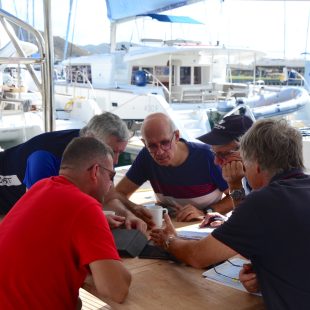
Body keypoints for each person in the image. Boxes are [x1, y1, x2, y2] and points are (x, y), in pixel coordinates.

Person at [150, 118, 310, 309]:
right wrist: (266, 273)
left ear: (256, 163)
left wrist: (169, 241)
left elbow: (198, 256)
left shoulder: (264, 202)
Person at [0, 137, 131, 309]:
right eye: (111, 176)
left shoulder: (40, 188)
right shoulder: (85, 206)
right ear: (95, 171)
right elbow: (116, 289)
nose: (110, 184)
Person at [0, 112, 151, 231]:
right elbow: (40, 213)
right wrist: (92, 219)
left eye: (120, 153)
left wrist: (128, 214)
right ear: (90, 138)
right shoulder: (43, 157)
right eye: (111, 151)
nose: (116, 161)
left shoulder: (96, 152)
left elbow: (108, 196)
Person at [115, 112, 230, 222]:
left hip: (203, 225)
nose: (159, 152)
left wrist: (205, 212)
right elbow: (118, 193)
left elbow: (237, 196)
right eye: (152, 146)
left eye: (165, 143)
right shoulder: (146, 156)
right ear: (145, 143)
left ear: (176, 136)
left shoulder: (207, 156)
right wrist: (134, 208)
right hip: (168, 226)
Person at [197, 114, 253, 227]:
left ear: (250, 149)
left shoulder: (269, 179)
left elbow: (246, 227)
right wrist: (230, 221)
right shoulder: (248, 174)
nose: (216, 162)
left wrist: (234, 185)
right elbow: (247, 218)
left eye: (224, 154)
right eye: (215, 154)